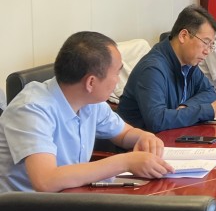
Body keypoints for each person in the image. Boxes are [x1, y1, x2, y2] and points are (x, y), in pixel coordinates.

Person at [0, 32, 174, 193]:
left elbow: (124, 133)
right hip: (24, 210)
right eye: (116, 73)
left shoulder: (90, 102)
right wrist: (125, 162)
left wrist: (144, 137)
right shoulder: (31, 109)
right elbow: (46, 181)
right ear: (91, 82)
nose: (117, 81)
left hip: (71, 198)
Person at [117, 5, 216, 133]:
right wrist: (209, 110)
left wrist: (187, 107)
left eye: (211, 45)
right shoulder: (152, 69)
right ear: (183, 35)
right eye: (205, 42)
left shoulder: (188, 62)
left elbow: (209, 91)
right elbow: (157, 121)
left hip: (173, 134)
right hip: (139, 142)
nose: (207, 51)